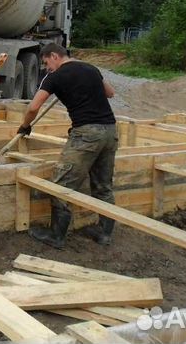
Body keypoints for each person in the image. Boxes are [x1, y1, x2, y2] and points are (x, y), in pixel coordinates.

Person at [18, 43, 117, 249]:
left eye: (46, 63)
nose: (47, 68)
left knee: (60, 183)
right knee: (103, 184)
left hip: (86, 135)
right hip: (110, 131)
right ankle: (104, 232)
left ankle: (56, 235)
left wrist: (25, 126)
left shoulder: (55, 77)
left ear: (54, 55)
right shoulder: (90, 68)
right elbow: (110, 93)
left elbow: (33, 106)